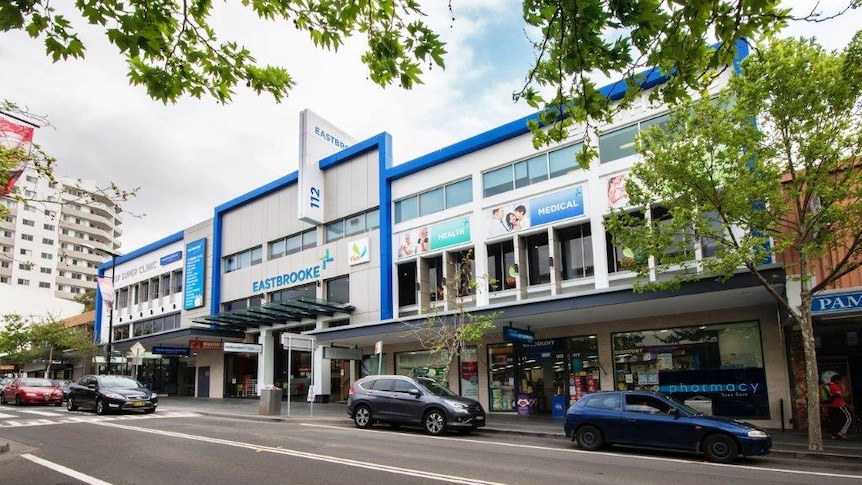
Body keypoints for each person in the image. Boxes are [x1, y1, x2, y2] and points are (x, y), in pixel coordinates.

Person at [827, 374, 852, 440]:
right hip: (839, 404)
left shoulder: (828, 386)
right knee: (848, 418)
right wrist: (843, 388)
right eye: (839, 381)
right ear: (836, 380)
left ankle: (835, 434)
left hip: (832, 405)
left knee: (836, 419)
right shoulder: (835, 386)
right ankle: (842, 432)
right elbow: (840, 396)